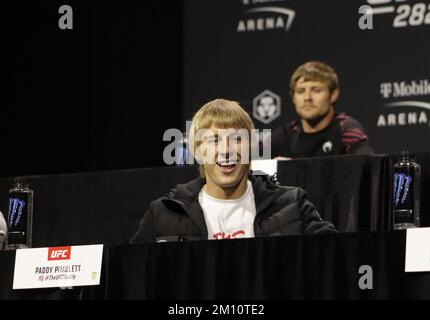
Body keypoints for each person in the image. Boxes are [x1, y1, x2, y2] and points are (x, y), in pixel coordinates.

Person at [131, 99, 336, 243]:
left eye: (237, 139)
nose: (226, 150)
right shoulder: (164, 213)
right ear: (197, 151)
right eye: (213, 140)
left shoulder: (293, 204)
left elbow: (338, 254)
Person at [270, 61, 373, 159]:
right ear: (293, 98)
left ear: (333, 95)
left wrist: (289, 168)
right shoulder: (282, 134)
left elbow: (368, 167)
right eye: (300, 91)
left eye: (316, 90)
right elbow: (255, 168)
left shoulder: (347, 129)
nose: (307, 98)